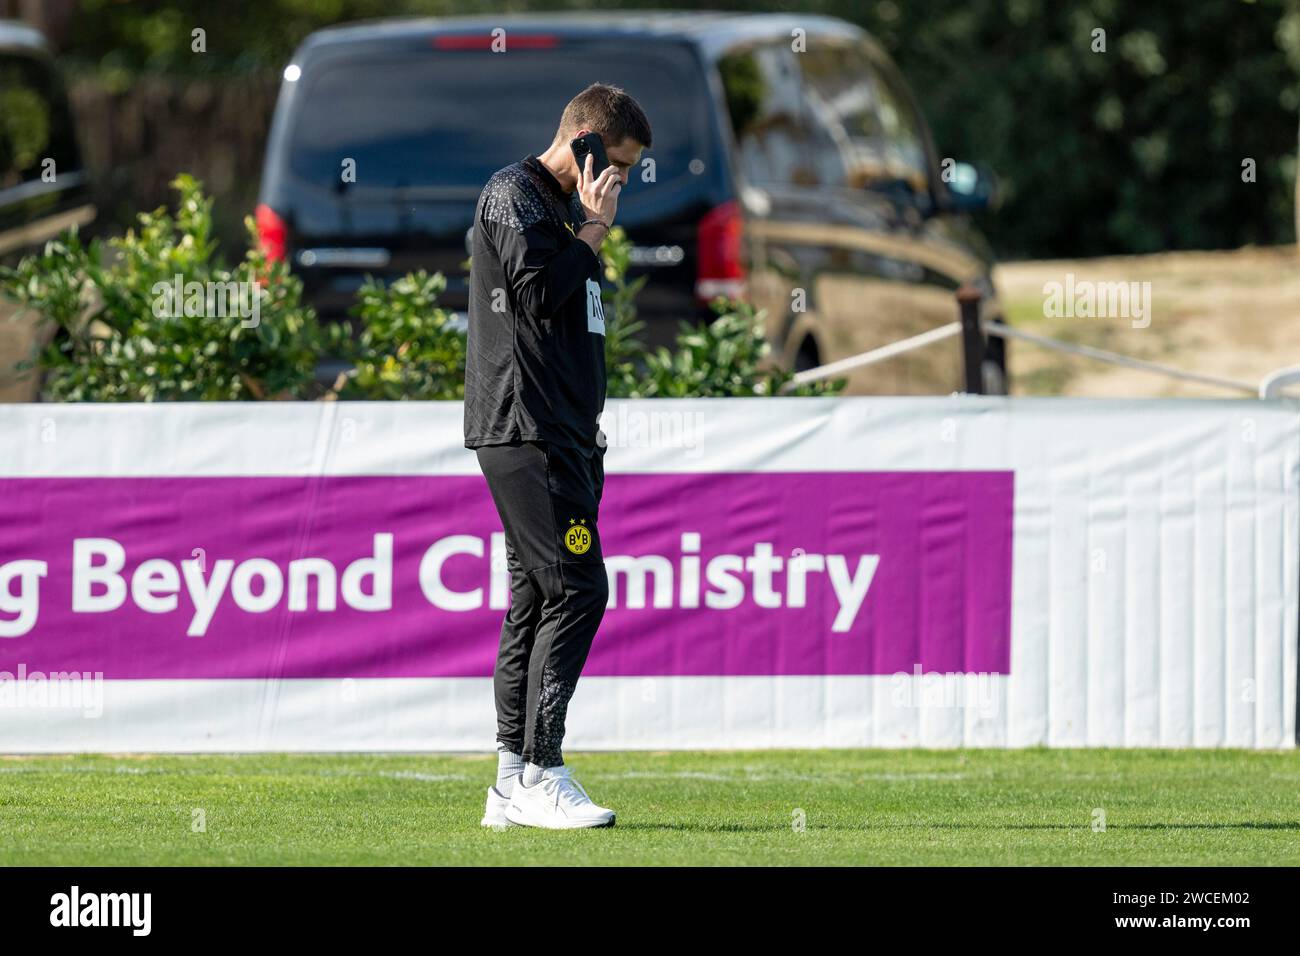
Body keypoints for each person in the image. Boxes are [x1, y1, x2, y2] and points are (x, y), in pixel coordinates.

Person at [464, 83, 651, 829]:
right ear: (584, 142)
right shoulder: (515, 194)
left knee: (539, 597)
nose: (621, 180)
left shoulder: (563, 212)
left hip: (562, 434)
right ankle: (543, 768)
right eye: (619, 162)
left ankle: (510, 778)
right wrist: (595, 231)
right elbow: (538, 291)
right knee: (579, 588)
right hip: (527, 429)